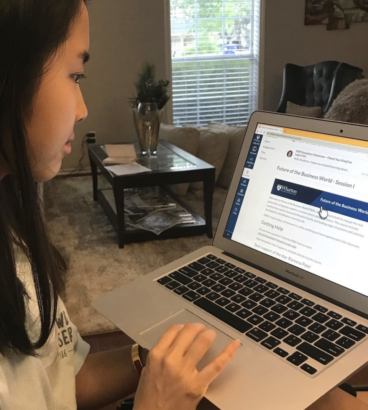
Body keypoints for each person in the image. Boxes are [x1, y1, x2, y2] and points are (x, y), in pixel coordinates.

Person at [0, 1, 366, 410]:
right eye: (75, 75)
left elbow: (66, 378)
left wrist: (152, 356)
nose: (84, 108)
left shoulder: (13, 233)